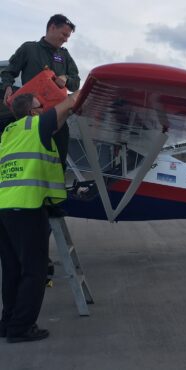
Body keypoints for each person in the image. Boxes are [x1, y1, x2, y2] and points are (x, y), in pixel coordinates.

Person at [0, 90, 80, 343]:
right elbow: (71, 102)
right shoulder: (36, 125)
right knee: (35, 271)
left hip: (4, 208)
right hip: (28, 206)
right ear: (32, 111)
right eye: (40, 106)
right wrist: (76, 85)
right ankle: (21, 327)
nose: (44, 109)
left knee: (12, 269)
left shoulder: (8, 133)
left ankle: (8, 322)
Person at [1, 13, 80, 170]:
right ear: (52, 27)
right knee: (27, 160)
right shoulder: (29, 49)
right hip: (30, 117)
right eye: (64, 34)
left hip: (57, 117)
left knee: (59, 160)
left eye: (68, 36)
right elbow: (8, 72)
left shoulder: (64, 55)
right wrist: (8, 86)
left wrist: (66, 78)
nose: (66, 39)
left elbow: (76, 83)